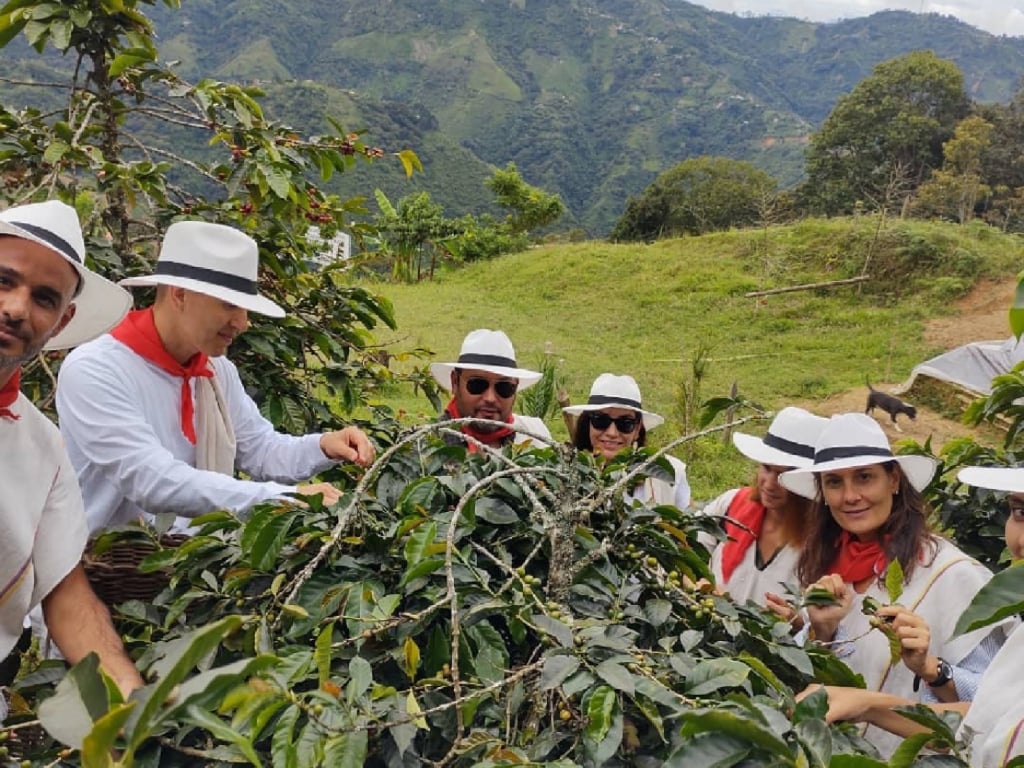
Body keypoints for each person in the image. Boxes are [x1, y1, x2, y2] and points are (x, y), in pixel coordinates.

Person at [56, 220, 376, 535]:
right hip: (105, 571)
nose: (242, 322)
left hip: (193, 568)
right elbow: (152, 481)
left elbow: (260, 448)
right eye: (229, 305)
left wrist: (323, 446)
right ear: (179, 295)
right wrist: (279, 499)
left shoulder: (214, 371)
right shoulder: (96, 370)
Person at [779, 413, 1010, 757]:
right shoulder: (827, 565)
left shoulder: (952, 574)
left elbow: (1001, 704)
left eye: (865, 477)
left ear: (895, 481)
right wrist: (822, 632)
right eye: (834, 482)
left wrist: (933, 669)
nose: (850, 496)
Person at [0, 199, 142, 710]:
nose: (17, 309)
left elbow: (65, 593)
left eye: (43, 298)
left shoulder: (43, 447)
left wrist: (129, 697)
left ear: (62, 321)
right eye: (3, 281)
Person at [701, 407, 827, 610]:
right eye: (766, 468)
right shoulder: (731, 505)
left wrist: (796, 622)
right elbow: (685, 548)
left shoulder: (821, 542)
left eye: (782, 476)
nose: (768, 484)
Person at [563, 373, 690, 509]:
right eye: (601, 420)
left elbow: (686, 525)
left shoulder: (672, 474)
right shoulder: (563, 475)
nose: (612, 433)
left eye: (625, 423)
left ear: (637, 429)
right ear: (588, 423)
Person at [430, 328, 553, 449]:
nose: (490, 398)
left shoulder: (535, 435)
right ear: (455, 382)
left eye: (504, 387)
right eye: (477, 385)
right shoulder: (429, 445)